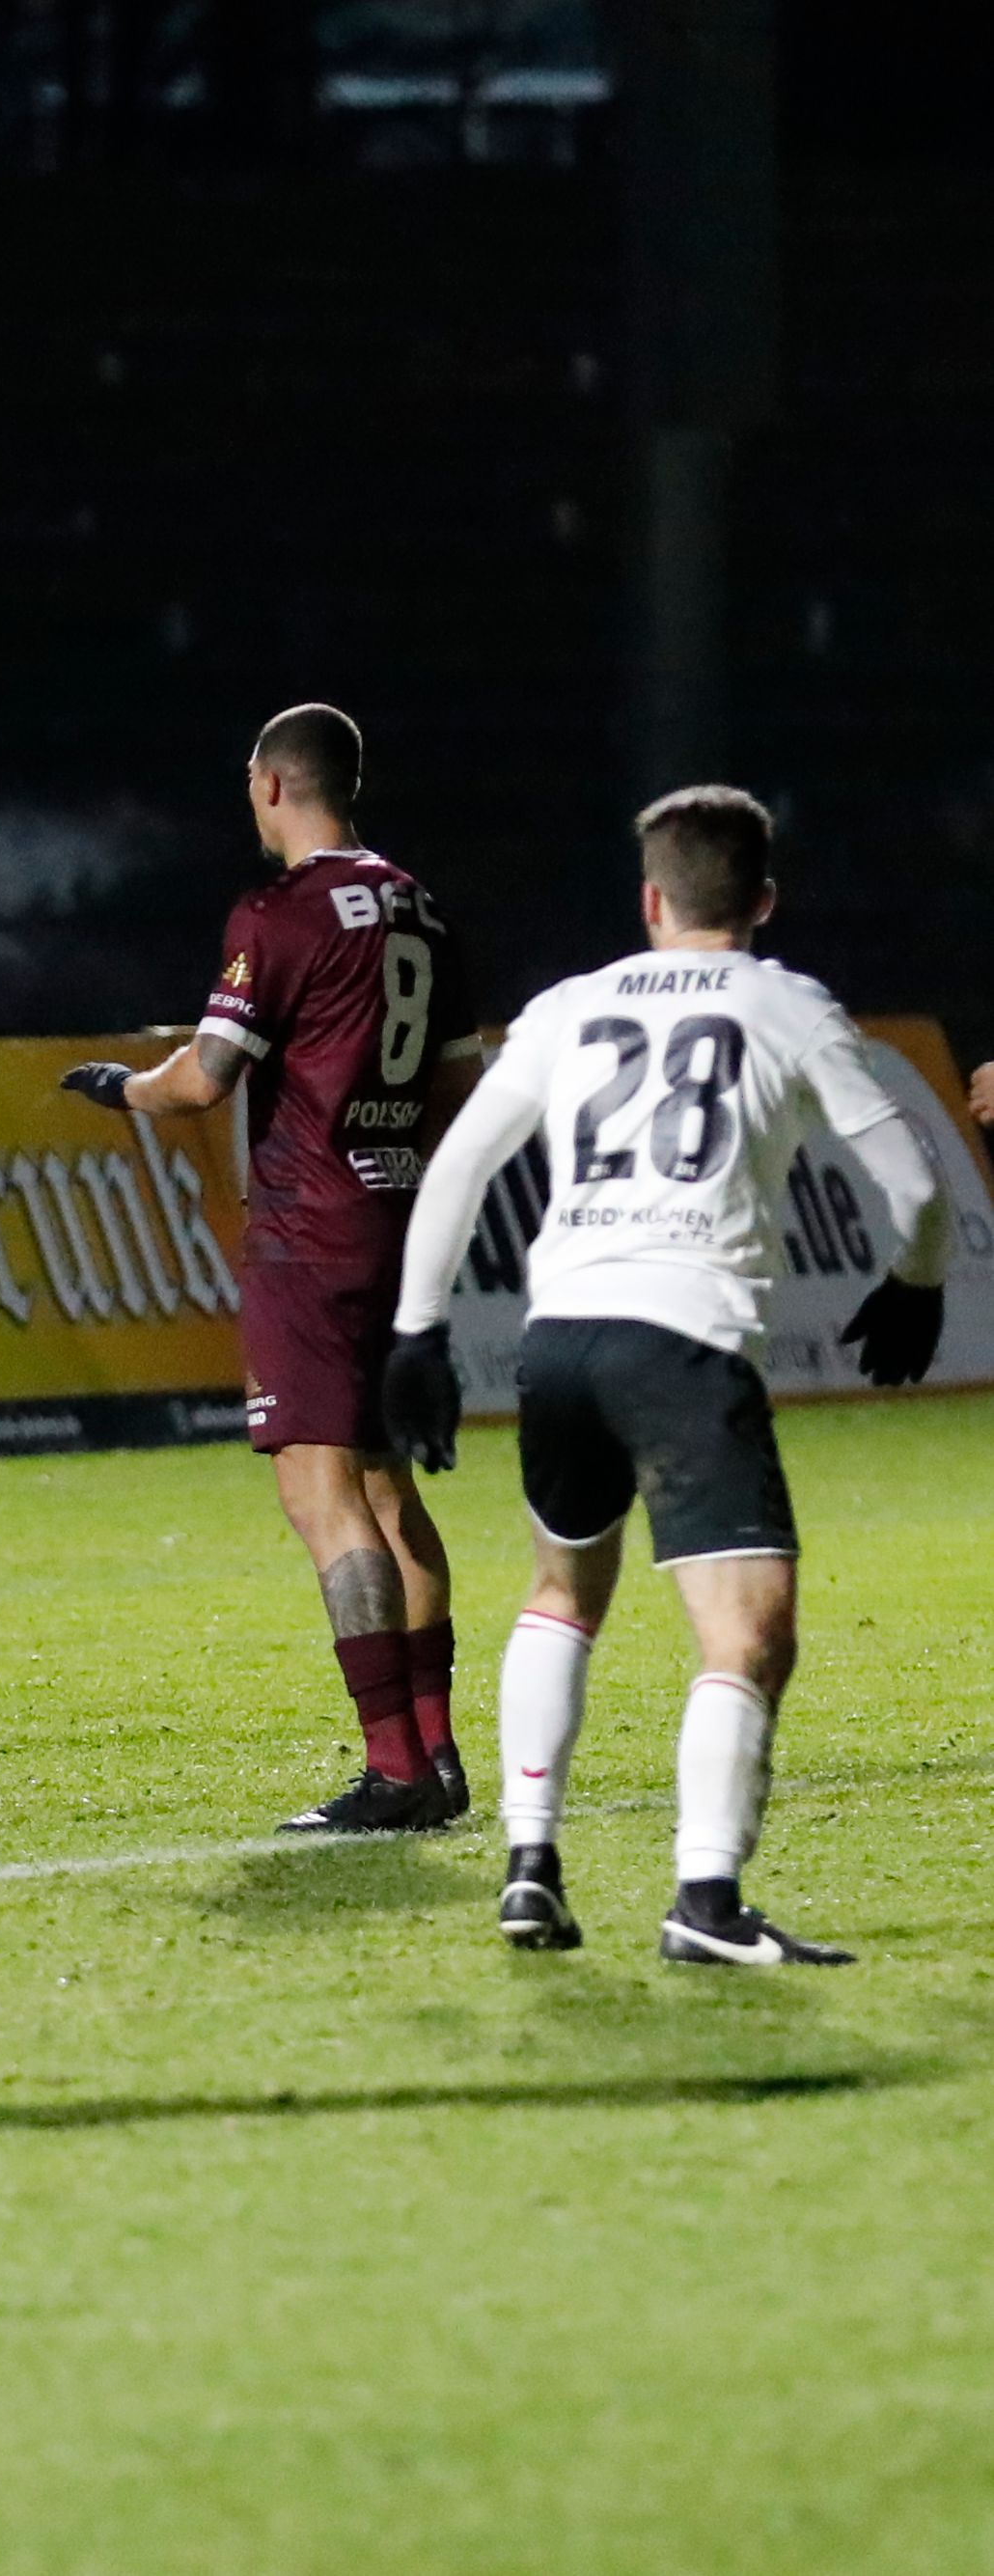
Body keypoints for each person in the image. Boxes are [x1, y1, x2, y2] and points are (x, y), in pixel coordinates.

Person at [384, 787, 948, 1965]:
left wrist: (417, 1330)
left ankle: (527, 1862)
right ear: (764, 900)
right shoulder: (784, 1002)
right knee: (745, 1634)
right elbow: (914, 1182)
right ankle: (704, 1897)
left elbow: (459, 1165)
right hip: (680, 1337)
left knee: (558, 1592)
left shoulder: (566, 1006)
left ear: (649, 897)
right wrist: (915, 1280)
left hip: (560, 1337)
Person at [56, 704, 483, 1833]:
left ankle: (391, 1767)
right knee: (389, 1489)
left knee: (318, 1488)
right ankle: (435, 1756)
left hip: (307, 1228)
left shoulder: (278, 911)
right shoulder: (421, 905)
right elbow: (457, 1087)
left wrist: (122, 1090)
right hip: (400, 1217)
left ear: (269, 784)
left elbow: (202, 1078)